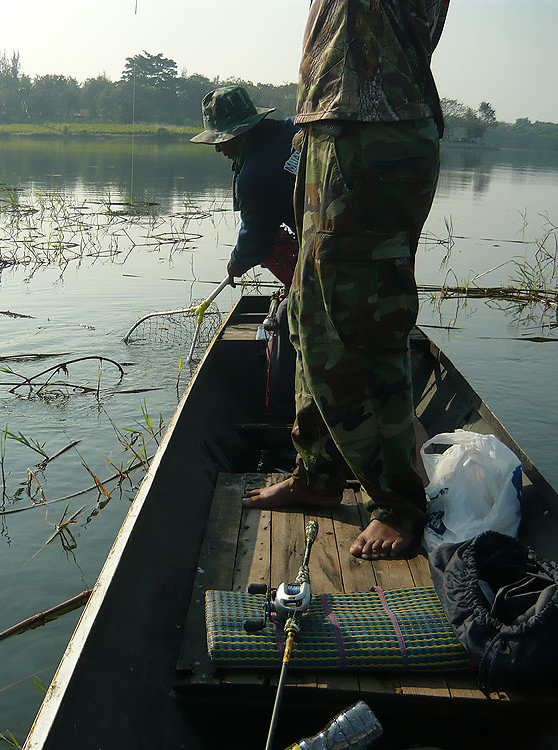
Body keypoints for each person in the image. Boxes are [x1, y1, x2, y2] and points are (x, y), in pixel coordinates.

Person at [243, 0, 450, 561]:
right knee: (309, 317)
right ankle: (318, 472)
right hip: (330, 128)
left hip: (373, 130)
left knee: (361, 327)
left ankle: (400, 504)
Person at [190, 85, 300, 289]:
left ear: (240, 135)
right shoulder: (295, 125)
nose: (218, 148)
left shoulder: (254, 176)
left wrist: (236, 264)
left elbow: (254, 241)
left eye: (221, 140)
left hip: (344, 248)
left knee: (286, 316)